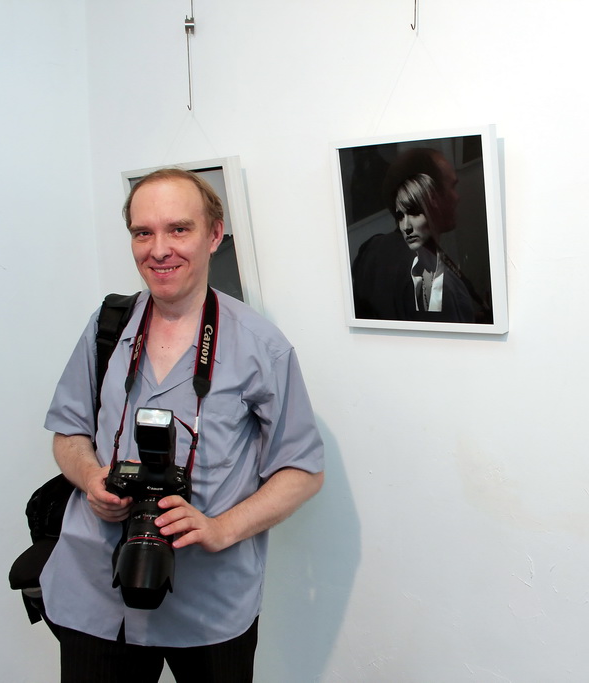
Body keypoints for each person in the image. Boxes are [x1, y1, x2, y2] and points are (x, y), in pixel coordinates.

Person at [41, 168, 324, 682]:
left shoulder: (261, 347)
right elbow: (68, 432)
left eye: (178, 229)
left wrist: (221, 528)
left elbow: (302, 471)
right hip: (95, 593)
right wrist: (90, 478)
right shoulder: (108, 327)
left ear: (214, 235)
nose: (159, 249)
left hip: (208, 603)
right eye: (142, 232)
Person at [351, 147, 487, 323]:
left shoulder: (372, 248)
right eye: (452, 187)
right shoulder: (433, 284)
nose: (457, 197)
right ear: (430, 198)